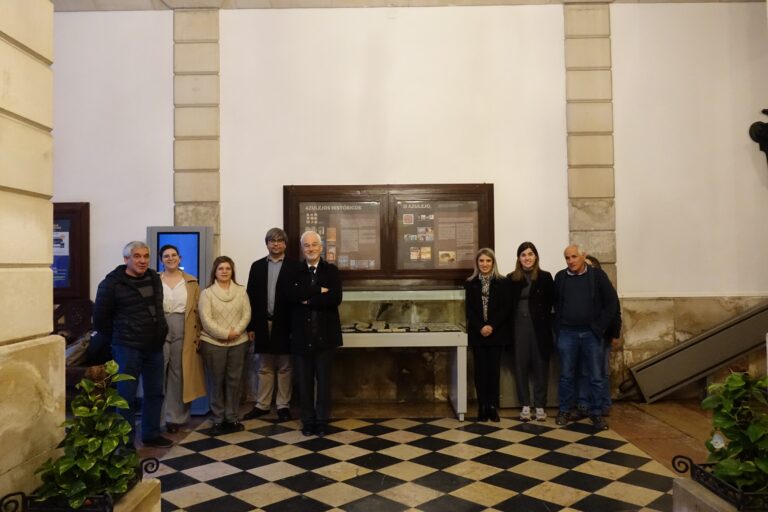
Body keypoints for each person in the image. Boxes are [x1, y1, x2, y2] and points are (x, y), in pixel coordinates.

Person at [93, 241, 172, 448]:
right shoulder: (111, 284)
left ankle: (151, 434)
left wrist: (161, 331)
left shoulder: (154, 278)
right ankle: (125, 441)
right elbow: (100, 320)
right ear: (126, 259)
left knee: (155, 392)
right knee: (125, 397)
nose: (142, 260)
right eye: (137, 256)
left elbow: (157, 309)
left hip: (154, 346)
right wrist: (120, 337)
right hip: (127, 348)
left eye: (145, 256)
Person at [553, 244, 619, 431]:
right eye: (567, 258)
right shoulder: (560, 277)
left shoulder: (596, 276)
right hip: (567, 333)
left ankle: (596, 413)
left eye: (574, 256)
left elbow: (612, 302)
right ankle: (564, 410)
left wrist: (600, 327)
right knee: (566, 375)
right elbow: (556, 304)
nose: (571, 261)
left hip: (591, 334)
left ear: (584, 256)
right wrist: (558, 327)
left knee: (596, 376)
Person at [288, 231, 343, 437]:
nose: (310, 249)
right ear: (302, 249)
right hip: (302, 336)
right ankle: (308, 421)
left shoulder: (331, 271)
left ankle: (322, 420)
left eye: (314, 245)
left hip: (325, 336)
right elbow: (291, 295)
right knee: (304, 382)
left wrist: (309, 299)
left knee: (324, 382)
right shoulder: (295, 271)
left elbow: (335, 298)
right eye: (306, 245)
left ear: (321, 248)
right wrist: (320, 291)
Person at [243, 228, 297, 422]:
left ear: (285, 244)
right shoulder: (256, 266)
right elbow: (249, 297)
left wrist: (295, 328)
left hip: (286, 323)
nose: (276, 244)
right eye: (272, 241)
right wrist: (250, 327)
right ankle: (263, 404)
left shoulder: (294, 266)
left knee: (285, 367)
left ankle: (283, 405)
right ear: (266, 244)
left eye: (279, 240)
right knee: (264, 366)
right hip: (261, 323)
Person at [198, 256, 251, 435]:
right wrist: (225, 334)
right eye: (221, 268)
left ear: (232, 271)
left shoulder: (241, 291)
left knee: (234, 381)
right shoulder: (207, 293)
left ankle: (232, 417)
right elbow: (206, 320)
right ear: (215, 271)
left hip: (238, 342)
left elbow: (246, 314)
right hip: (213, 343)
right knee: (216, 381)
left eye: (228, 268)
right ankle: (218, 419)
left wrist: (235, 331)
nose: (224, 271)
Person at [158, 244, 206, 433]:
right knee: (158, 372)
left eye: (174, 255)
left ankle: (175, 418)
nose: (170, 258)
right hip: (159, 328)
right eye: (166, 256)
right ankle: (158, 418)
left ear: (180, 258)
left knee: (178, 374)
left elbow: (197, 309)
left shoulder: (191, 282)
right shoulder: (155, 280)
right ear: (161, 260)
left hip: (183, 328)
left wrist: (199, 334)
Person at [507, 242, 554, 422]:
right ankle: (525, 405)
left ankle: (540, 405)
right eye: (523, 255)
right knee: (520, 366)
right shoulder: (512, 278)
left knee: (541, 366)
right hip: (518, 328)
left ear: (536, 257)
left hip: (539, 328)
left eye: (530, 254)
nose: (527, 258)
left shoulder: (545, 277)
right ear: (519, 258)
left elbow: (551, 302)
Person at [465, 248, 511, 422]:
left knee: (493, 371)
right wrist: (480, 327)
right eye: (481, 261)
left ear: (493, 263)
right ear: (477, 263)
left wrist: (491, 326)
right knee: (480, 372)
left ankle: (492, 407)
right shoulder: (470, 283)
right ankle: (482, 406)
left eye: (488, 261)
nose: (484, 264)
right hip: (478, 334)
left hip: (496, 333)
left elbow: (505, 308)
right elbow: (469, 309)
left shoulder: (503, 282)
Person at [573, 254, 622, 418]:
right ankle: (583, 404)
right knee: (584, 371)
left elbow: (615, 310)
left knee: (601, 371)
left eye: (588, 265)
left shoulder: (603, 285)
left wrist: (615, 333)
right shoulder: (579, 286)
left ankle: (603, 404)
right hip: (582, 334)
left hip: (601, 335)